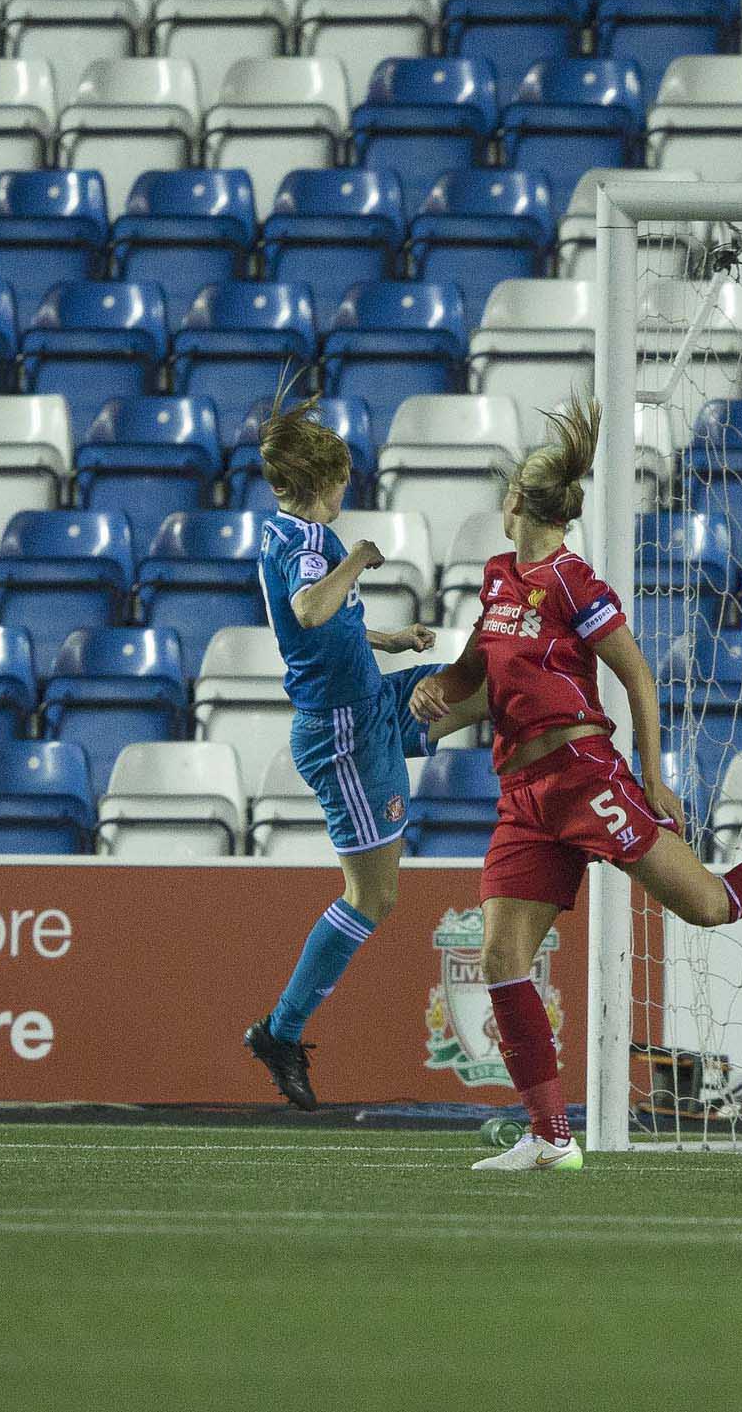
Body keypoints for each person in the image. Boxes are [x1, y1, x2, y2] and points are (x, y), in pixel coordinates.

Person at [408, 401, 742, 1171]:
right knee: (501, 958)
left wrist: (652, 779)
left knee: (707, 905)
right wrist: (435, 694)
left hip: (583, 776)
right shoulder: (499, 580)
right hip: (523, 794)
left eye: (504, 498)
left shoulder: (572, 580)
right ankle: (551, 1137)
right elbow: (474, 675)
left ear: (517, 505)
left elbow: (637, 675)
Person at [243, 399, 489, 1111]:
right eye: (343, 483)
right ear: (322, 485)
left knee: (487, 688)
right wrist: (356, 558)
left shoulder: (281, 531)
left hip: (369, 702)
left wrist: (388, 639)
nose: (347, 494)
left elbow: (326, 629)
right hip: (343, 735)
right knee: (374, 895)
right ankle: (279, 1031)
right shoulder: (316, 546)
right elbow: (310, 612)